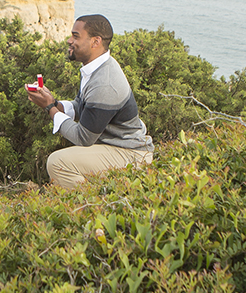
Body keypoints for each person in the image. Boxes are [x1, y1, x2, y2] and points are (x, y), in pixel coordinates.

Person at [26, 14, 153, 189]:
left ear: (95, 42)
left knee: (57, 163)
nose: (69, 40)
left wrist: (49, 108)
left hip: (131, 155)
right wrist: (55, 103)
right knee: (64, 162)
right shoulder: (95, 67)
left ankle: (93, 207)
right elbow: (81, 105)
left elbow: (83, 138)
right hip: (114, 147)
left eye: (76, 36)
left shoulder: (105, 83)